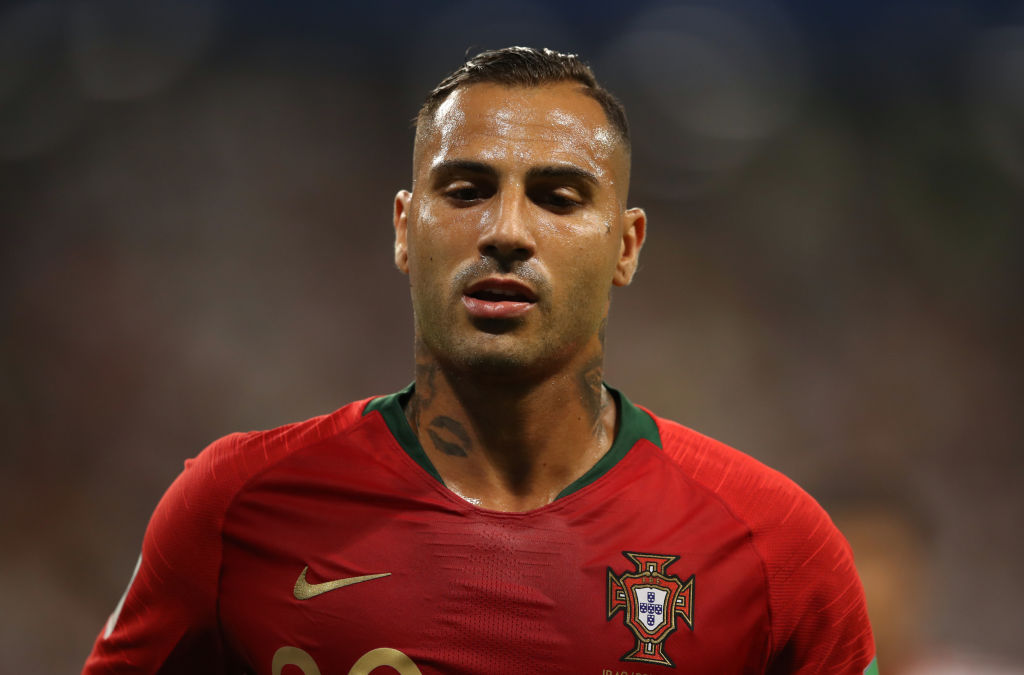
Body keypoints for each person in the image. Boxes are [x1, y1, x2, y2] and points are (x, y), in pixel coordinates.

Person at [84, 47, 876, 674]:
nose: (506, 231)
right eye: (465, 190)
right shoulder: (233, 509)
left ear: (627, 245)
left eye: (558, 197)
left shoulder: (776, 547)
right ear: (405, 228)